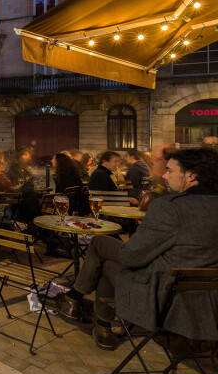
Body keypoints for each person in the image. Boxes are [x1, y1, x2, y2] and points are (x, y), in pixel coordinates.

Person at [55, 147, 218, 350]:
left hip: (165, 299)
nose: (165, 175)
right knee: (106, 249)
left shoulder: (170, 207)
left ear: (191, 176)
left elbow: (132, 256)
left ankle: (78, 302)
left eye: (170, 170)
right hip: (208, 300)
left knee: (103, 252)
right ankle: (89, 313)